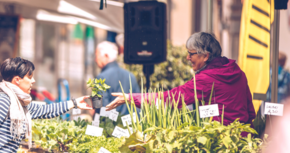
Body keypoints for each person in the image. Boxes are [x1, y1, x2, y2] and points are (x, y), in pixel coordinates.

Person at [107, 32, 256, 125]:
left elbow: (172, 98)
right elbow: (250, 111)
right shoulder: (238, 73)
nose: (188, 57)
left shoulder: (207, 79)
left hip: (221, 142)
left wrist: (131, 98)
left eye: (191, 54)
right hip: (242, 139)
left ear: (205, 56)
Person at [95, 41, 139, 115]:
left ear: (106, 56)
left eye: (97, 56)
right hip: (130, 125)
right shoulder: (131, 76)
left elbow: (100, 108)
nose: (95, 60)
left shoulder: (101, 78)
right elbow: (138, 103)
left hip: (110, 125)